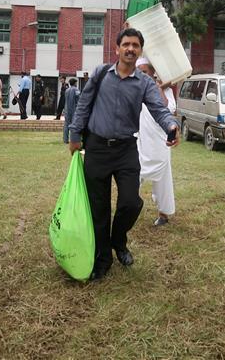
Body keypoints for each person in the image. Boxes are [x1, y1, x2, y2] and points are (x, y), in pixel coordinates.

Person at [67, 28, 178, 281]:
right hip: (96, 147)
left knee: (130, 202)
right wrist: (75, 135)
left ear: (139, 51)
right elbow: (84, 103)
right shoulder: (100, 74)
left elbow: (159, 110)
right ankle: (103, 259)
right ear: (117, 48)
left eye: (135, 45)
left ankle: (119, 240)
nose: (130, 48)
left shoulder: (145, 83)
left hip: (126, 148)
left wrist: (171, 126)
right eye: (126, 44)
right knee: (99, 208)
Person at [135, 58, 177, 227]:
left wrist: (158, 88)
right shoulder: (134, 88)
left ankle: (164, 213)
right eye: (139, 72)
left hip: (160, 142)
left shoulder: (164, 90)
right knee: (133, 176)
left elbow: (168, 109)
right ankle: (128, 210)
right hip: (140, 140)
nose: (141, 75)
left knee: (163, 179)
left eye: (144, 72)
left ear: (153, 72)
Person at [61, 77, 80, 144]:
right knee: (74, 125)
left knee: (66, 125)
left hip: (67, 110)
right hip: (74, 110)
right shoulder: (76, 90)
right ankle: (73, 140)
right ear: (74, 83)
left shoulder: (67, 90)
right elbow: (78, 100)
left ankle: (65, 140)